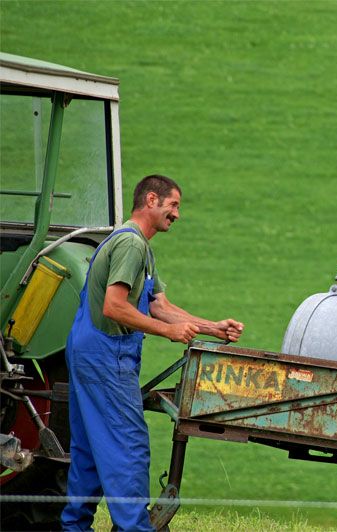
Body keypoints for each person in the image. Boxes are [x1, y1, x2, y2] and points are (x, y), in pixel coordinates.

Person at [61, 175, 244, 532]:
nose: (177, 214)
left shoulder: (136, 245)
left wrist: (211, 327)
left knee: (87, 451)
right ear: (151, 200)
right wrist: (169, 332)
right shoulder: (131, 246)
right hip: (107, 357)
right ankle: (134, 528)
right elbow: (115, 307)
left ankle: (74, 527)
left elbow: (159, 305)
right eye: (173, 205)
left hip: (89, 352)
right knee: (128, 448)